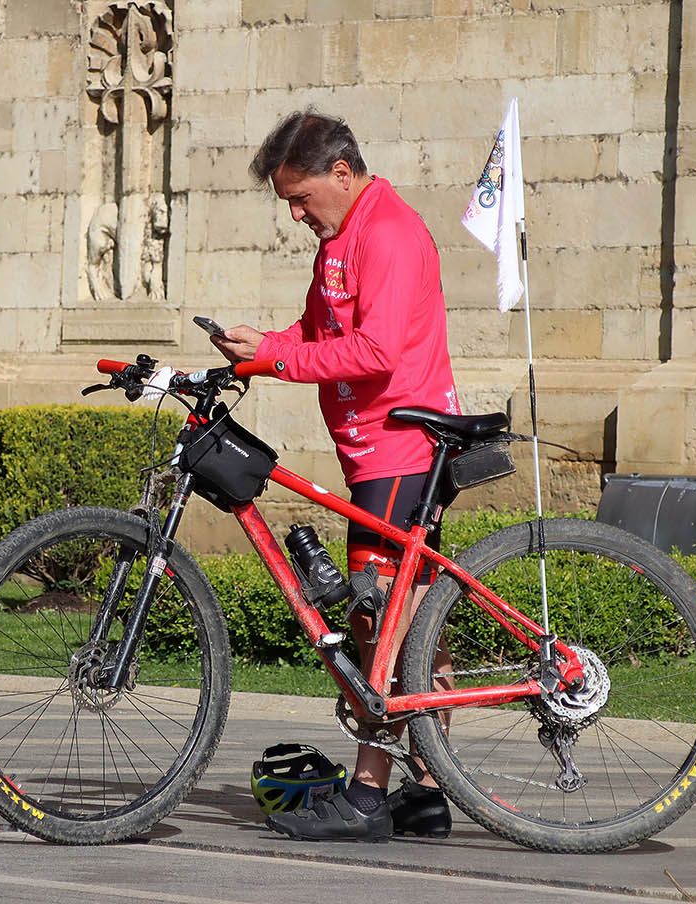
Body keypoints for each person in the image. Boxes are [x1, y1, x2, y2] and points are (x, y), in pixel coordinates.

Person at [211, 109, 460, 842]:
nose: (294, 214)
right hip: (373, 457)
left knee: (380, 622)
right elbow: (318, 334)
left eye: (301, 198)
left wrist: (277, 362)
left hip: (402, 452)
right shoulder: (340, 239)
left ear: (341, 173)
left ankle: (366, 795)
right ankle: (427, 787)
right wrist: (263, 343)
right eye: (287, 202)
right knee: (400, 626)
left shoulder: (386, 232)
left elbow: (376, 351)